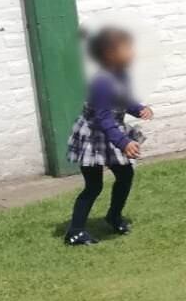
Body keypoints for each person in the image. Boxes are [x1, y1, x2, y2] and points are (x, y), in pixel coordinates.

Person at [64, 26, 152, 246]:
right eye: (127, 48)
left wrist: (138, 109)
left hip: (110, 133)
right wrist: (123, 142)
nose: (133, 52)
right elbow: (103, 117)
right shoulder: (101, 82)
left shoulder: (121, 74)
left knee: (125, 175)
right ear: (109, 54)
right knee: (93, 186)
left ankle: (113, 216)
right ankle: (74, 232)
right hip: (94, 138)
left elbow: (123, 99)